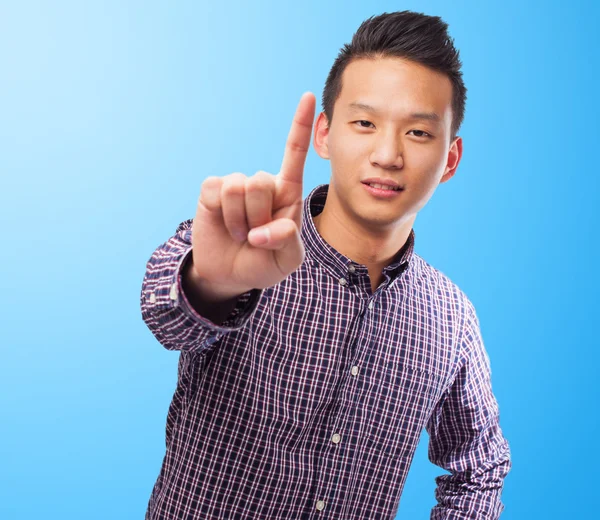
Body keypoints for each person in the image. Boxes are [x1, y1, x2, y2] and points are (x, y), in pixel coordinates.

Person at [140, 10, 511, 520]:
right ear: (324, 135)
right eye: (364, 123)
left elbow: (480, 470)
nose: (387, 154)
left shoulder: (452, 319)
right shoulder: (246, 241)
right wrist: (211, 285)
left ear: (450, 159)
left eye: (419, 133)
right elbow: (163, 316)